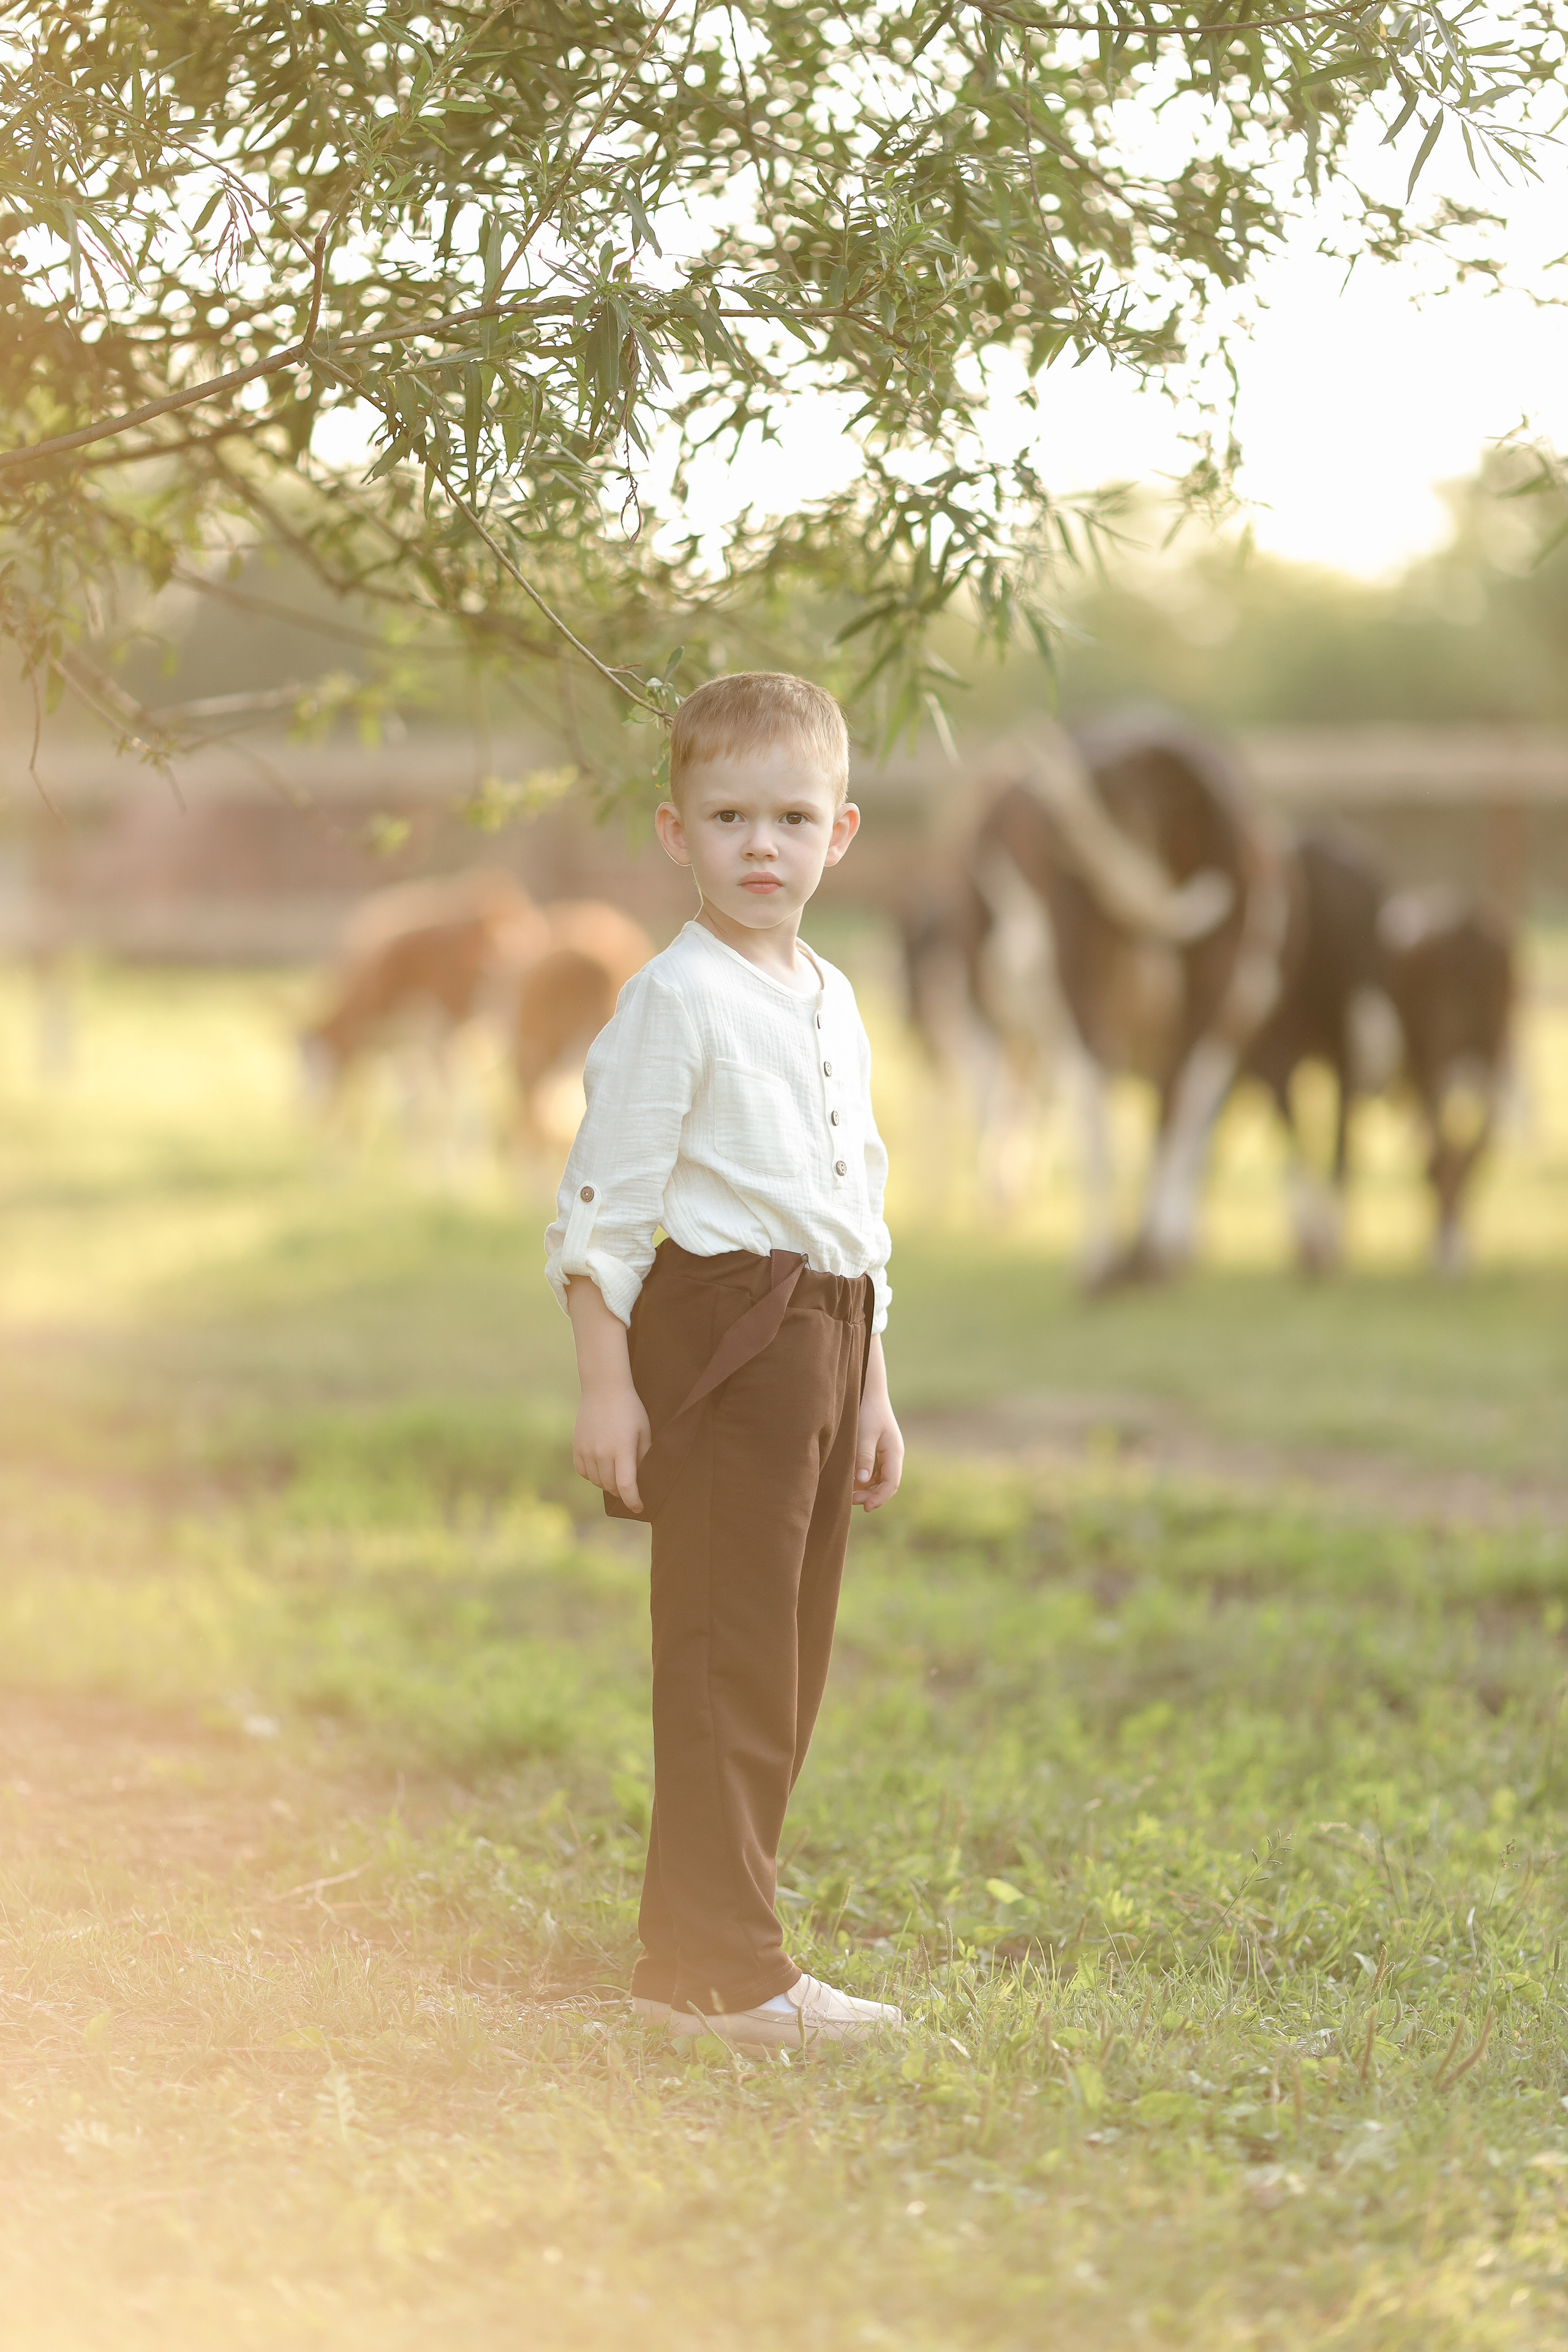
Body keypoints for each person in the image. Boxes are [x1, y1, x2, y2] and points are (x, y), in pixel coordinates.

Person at [544, 671, 905, 2049]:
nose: (763, 844)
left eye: (793, 817)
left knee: (787, 1661)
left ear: (842, 834)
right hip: (722, 1339)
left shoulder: (829, 996)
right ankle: (717, 1976)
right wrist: (603, 1381)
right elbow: (603, 1203)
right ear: (673, 832)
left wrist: (869, 1378)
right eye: (730, 815)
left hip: (824, 1336)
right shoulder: (673, 998)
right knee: (725, 1649)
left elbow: (854, 1196)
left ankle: (711, 1952)